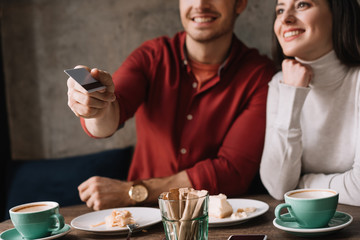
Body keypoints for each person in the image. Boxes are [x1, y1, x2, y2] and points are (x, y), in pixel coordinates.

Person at [67, 0, 275, 210]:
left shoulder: (261, 76)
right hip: (142, 220)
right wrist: (94, 106)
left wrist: (133, 192)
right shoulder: (152, 56)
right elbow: (110, 113)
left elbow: (232, 172)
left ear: (239, 4)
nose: (200, 4)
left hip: (214, 219)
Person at [260, 0, 360, 206]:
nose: (285, 18)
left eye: (302, 5)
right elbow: (277, 187)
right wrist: (292, 94)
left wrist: (300, 185)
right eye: (280, 9)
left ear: (339, 14)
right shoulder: (281, 84)